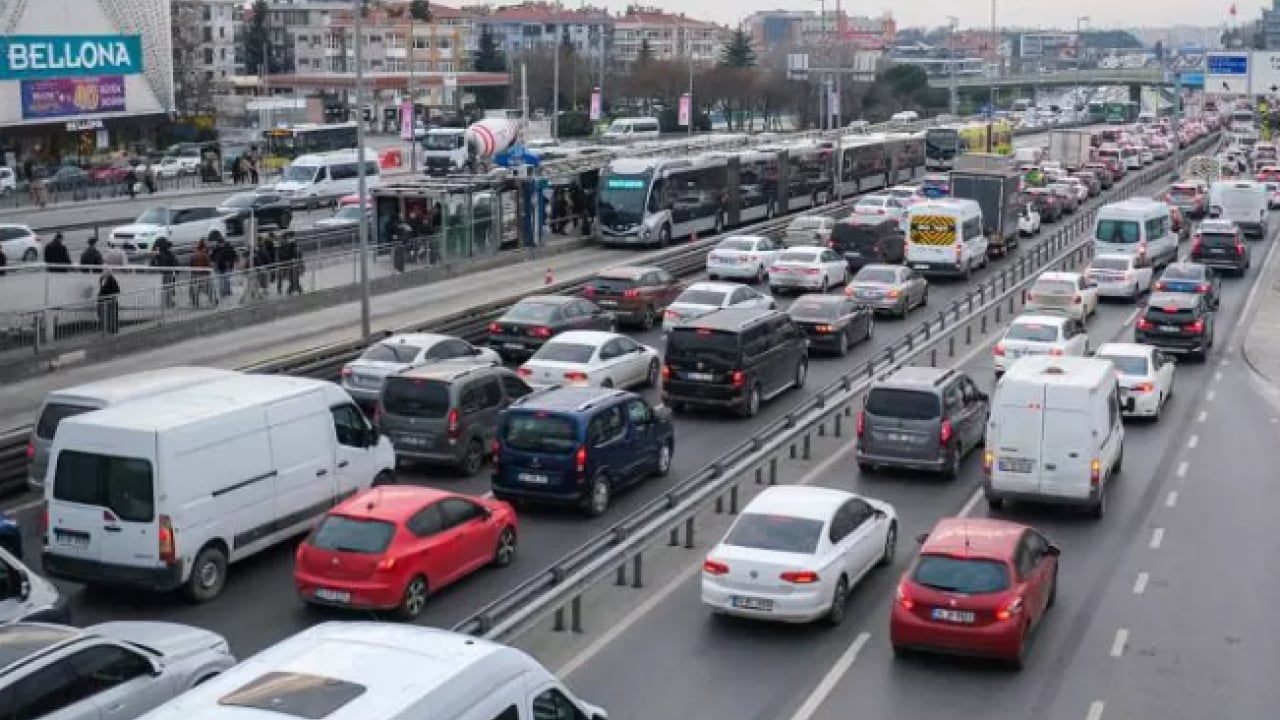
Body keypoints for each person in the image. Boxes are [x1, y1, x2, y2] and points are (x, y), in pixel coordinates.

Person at [151, 240, 179, 308]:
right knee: (170, 288)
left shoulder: (159, 255)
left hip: (162, 275)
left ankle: (165, 302)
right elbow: (176, 264)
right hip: (169, 275)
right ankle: (169, 302)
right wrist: (177, 272)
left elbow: (152, 264)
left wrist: (154, 257)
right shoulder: (171, 255)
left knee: (164, 288)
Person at [190, 239, 213, 307]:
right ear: (204, 247)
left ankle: (195, 303)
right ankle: (213, 301)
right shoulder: (205, 255)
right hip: (205, 275)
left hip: (195, 275)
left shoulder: (194, 255)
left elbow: (191, 266)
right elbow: (209, 265)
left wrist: (192, 274)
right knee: (208, 289)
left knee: (196, 290)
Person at [98, 267, 120, 334]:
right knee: (103, 316)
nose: (103, 273)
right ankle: (106, 330)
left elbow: (117, 290)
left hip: (109, 301)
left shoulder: (112, 280)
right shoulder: (102, 279)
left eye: (104, 271)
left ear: (108, 273)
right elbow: (102, 289)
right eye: (103, 271)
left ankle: (112, 330)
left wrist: (107, 294)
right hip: (104, 301)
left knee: (111, 316)